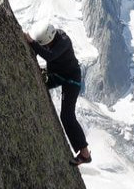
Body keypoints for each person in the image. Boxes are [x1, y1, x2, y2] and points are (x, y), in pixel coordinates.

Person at [24, 24, 91, 166]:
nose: (46, 46)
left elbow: (50, 55)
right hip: (57, 75)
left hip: (71, 79)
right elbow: (44, 51)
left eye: (46, 44)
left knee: (67, 116)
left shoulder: (64, 40)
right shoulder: (50, 38)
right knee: (36, 85)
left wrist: (32, 43)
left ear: (50, 38)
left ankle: (85, 154)